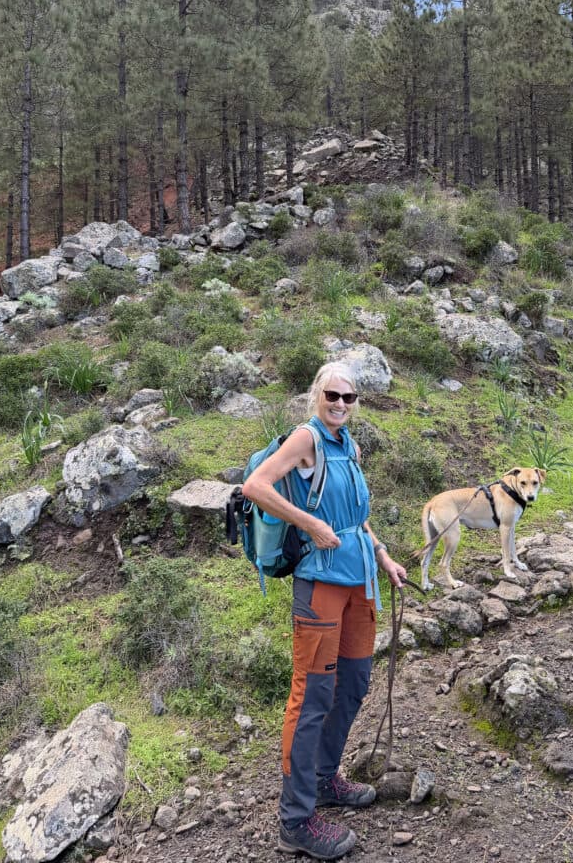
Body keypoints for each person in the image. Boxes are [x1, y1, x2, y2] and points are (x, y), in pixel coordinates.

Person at [242, 362, 407, 861]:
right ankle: (295, 821)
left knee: (354, 682)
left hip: (359, 578)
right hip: (319, 585)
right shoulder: (307, 439)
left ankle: (324, 778)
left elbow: (357, 515)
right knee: (311, 694)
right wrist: (311, 524)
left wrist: (382, 555)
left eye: (349, 397)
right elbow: (256, 486)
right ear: (317, 395)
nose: (340, 404)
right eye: (332, 394)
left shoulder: (348, 444)